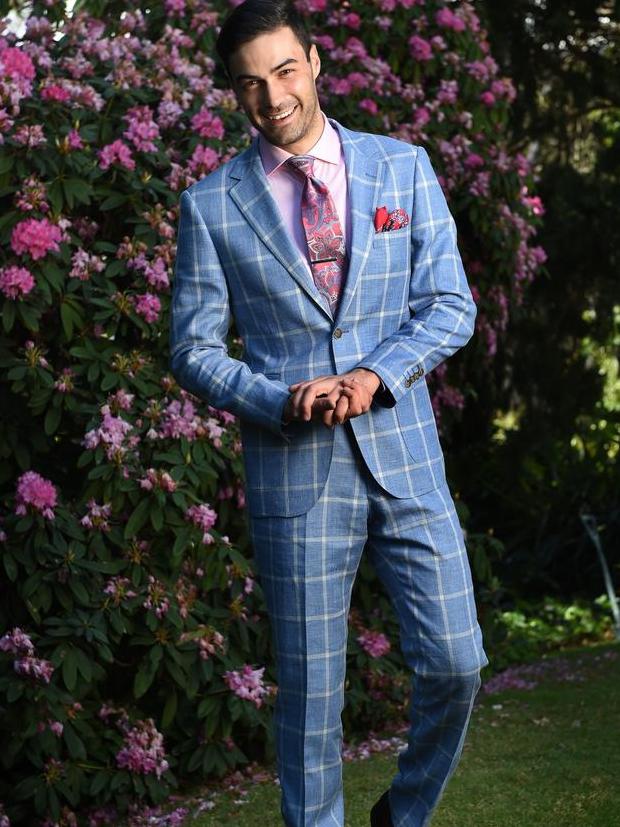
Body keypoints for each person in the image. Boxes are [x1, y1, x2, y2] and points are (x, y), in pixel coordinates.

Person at [169, 2, 489, 825]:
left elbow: (451, 304)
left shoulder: (402, 169)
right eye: (249, 85)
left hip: (406, 457)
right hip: (295, 470)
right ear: (234, 95)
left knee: (457, 662)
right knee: (311, 702)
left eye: (283, 71)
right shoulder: (210, 205)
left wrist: (376, 376)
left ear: (313, 62)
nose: (272, 98)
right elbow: (192, 348)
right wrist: (277, 398)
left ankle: (402, 814)